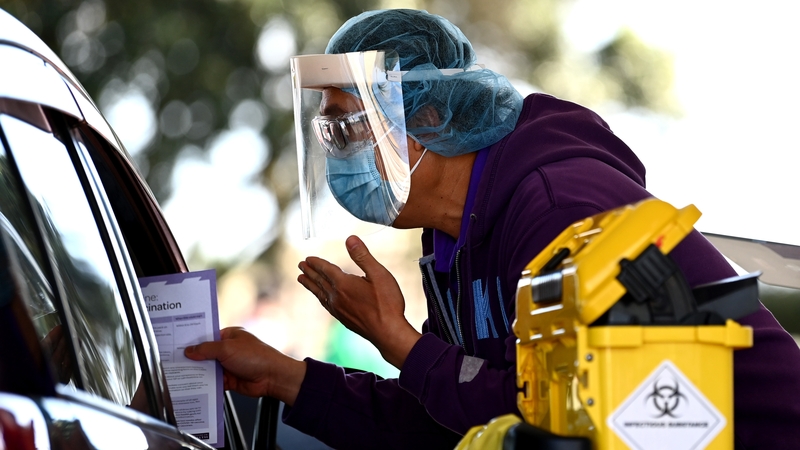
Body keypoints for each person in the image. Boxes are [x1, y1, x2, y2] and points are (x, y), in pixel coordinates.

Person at [185, 9, 800, 449]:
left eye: (348, 127)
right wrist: (287, 376)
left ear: (426, 114)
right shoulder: (454, 240)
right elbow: (449, 418)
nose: (337, 154)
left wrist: (397, 339)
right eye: (327, 134)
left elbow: (574, 423)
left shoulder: (558, 210)